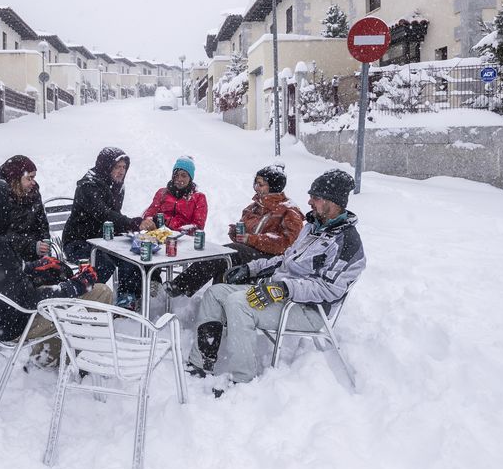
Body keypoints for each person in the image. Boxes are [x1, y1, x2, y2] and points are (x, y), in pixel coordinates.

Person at [185, 169, 365, 391]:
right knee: (216, 293)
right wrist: (250, 269)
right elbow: (285, 261)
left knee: (239, 304)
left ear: (333, 202)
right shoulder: (312, 228)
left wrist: (285, 287)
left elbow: (329, 289)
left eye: (316, 198)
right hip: (281, 295)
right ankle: (202, 361)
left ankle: (243, 380)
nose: (309, 201)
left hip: (308, 310)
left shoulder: (347, 243)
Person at [0, 177, 113, 365]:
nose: (9, 210)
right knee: (101, 292)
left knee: (54, 275)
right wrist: (77, 285)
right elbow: (28, 300)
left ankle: (49, 354)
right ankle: (85, 360)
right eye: (5, 206)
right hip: (18, 323)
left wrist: (36, 267)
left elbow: (6, 277)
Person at [165, 163, 304, 298]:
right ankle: (215, 301)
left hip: (271, 259)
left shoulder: (289, 210)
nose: (256, 188)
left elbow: (286, 244)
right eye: (255, 183)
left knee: (228, 253)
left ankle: (182, 285)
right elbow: (244, 233)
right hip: (248, 252)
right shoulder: (254, 207)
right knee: (224, 257)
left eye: (261, 184)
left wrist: (250, 239)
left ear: (273, 187)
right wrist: (236, 234)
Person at [61, 147, 146, 308]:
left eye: (124, 167)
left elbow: (113, 217)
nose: (121, 171)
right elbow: (103, 214)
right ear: (106, 166)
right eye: (117, 167)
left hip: (103, 240)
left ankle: (127, 300)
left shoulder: (116, 185)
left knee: (132, 258)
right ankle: (83, 301)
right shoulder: (88, 186)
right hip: (78, 242)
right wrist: (132, 223)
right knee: (103, 264)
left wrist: (130, 231)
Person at [0, 154, 50, 262]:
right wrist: (32, 246)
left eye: (33, 178)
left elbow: (41, 221)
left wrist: (45, 241)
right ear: (15, 178)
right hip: (9, 260)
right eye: (29, 178)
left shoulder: (32, 192)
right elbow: (1, 236)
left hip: (35, 255)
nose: (33, 183)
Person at [141, 155, 208, 232]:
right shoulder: (162, 193)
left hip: (183, 239)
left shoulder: (199, 198)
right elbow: (149, 214)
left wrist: (170, 224)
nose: (179, 179)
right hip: (157, 235)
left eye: (184, 176)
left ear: (190, 178)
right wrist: (148, 222)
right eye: (176, 175)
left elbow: (198, 227)